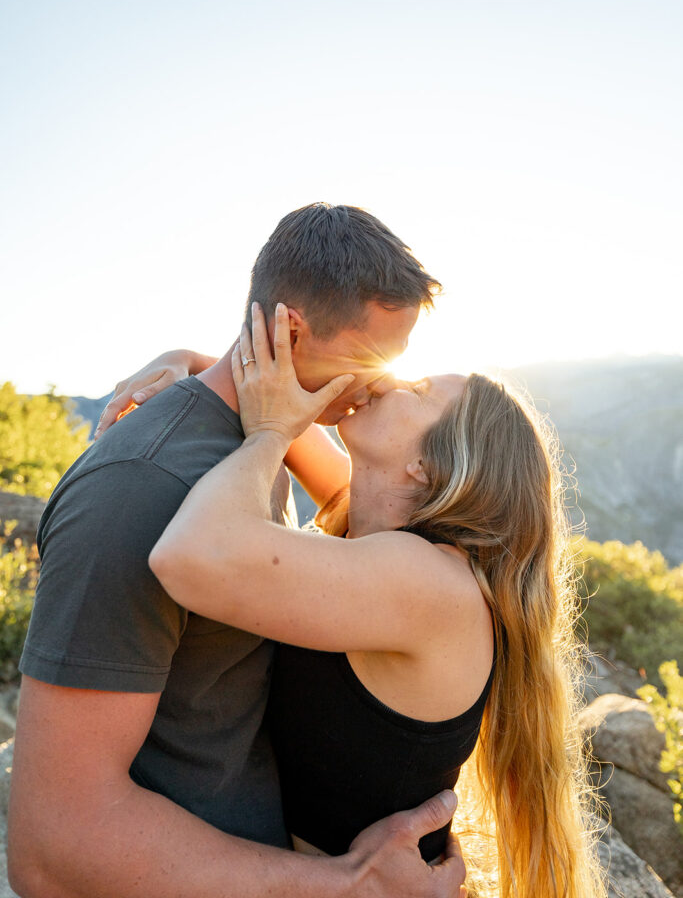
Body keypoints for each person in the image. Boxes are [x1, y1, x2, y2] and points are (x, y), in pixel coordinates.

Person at [8, 204, 469, 898]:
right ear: (287, 334)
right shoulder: (139, 490)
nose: (378, 384)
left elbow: (354, 500)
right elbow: (54, 845)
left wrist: (191, 360)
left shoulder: (268, 434)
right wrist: (350, 885)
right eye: (370, 360)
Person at [108, 304, 608, 898]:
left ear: (428, 466)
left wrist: (268, 433)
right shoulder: (377, 530)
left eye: (417, 389)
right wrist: (191, 362)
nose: (391, 378)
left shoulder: (431, 584)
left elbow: (191, 555)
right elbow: (284, 408)